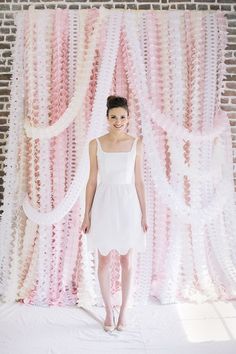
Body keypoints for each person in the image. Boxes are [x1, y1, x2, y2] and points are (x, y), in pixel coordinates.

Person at [81, 95, 148, 332]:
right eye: (113, 117)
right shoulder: (95, 144)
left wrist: (144, 214)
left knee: (127, 260)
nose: (118, 121)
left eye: (122, 117)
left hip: (128, 205)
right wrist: (86, 214)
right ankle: (108, 309)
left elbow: (139, 182)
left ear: (128, 118)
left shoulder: (136, 143)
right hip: (103, 205)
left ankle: (123, 311)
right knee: (104, 259)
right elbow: (91, 182)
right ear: (107, 118)